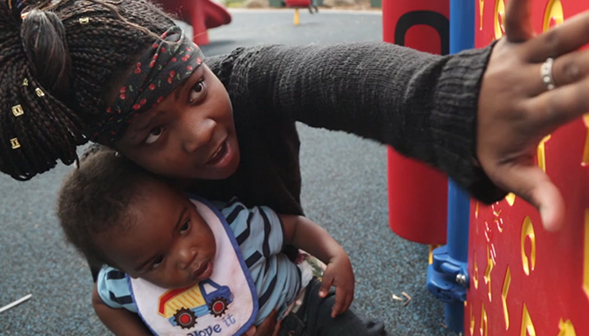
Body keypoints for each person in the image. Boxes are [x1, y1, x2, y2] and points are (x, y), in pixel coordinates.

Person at [0, 0, 589, 333]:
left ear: (202, 63)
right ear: (122, 152)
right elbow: (110, 288)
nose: (200, 131)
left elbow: (325, 76)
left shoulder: (246, 80)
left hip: (290, 288)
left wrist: (448, 102)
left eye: (197, 90)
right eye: (155, 133)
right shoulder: (113, 194)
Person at [58, 146, 386, 336]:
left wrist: (335, 255)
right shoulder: (123, 284)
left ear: (184, 197)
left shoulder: (236, 227)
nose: (187, 254)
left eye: (184, 226)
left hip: (303, 306)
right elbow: (102, 302)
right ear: (123, 268)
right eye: (156, 261)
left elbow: (294, 228)